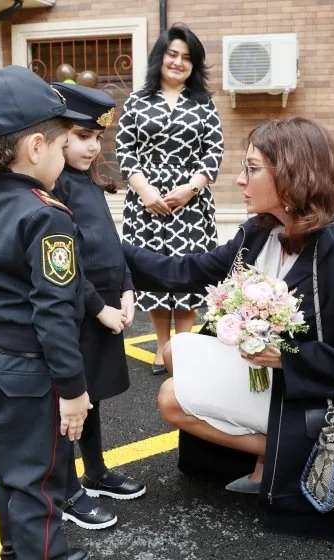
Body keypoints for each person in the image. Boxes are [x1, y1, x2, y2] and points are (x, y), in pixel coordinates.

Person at [122, 117, 334, 543]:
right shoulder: (259, 232)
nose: (239, 180)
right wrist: (108, 249)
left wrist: (287, 356)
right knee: (174, 350)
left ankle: (285, 454)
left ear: (291, 174)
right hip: (269, 378)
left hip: (315, 392)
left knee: (170, 397)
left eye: (252, 168)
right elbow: (186, 272)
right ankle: (275, 452)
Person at [0, 65, 93, 560]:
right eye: (62, 146)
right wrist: (74, 390)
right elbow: (56, 313)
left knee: (5, 472)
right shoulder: (46, 215)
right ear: (37, 147)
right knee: (38, 480)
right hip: (31, 371)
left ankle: (16, 552)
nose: (64, 157)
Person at [51, 82, 147, 531]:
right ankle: (66, 488)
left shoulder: (87, 181)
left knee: (92, 397)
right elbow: (65, 264)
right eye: (82, 136)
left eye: (97, 138)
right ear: (58, 136)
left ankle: (95, 472)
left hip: (106, 305)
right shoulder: (54, 187)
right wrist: (97, 308)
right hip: (79, 311)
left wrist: (126, 289)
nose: (92, 147)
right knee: (70, 401)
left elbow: (110, 242)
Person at [116, 23, 224, 375]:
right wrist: (146, 191)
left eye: (187, 58)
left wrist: (191, 188)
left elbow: (214, 151)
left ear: (195, 64)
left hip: (191, 205)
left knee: (188, 274)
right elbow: (125, 150)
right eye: (172, 54)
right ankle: (163, 349)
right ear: (160, 58)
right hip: (146, 204)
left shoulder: (204, 103)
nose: (178, 62)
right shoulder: (137, 101)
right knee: (154, 275)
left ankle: (184, 347)